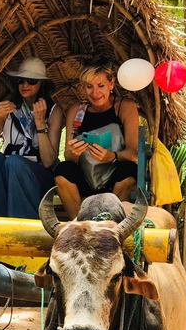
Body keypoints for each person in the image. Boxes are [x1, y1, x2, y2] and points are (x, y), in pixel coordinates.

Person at [0, 57, 64, 219]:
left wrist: (40, 124)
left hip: (40, 176)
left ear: (41, 84)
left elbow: (49, 161)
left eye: (31, 81)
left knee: (14, 161)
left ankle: (22, 221)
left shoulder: (54, 110)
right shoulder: (7, 107)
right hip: (9, 172)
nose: (25, 85)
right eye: (20, 80)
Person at [53, 60, 139, 220]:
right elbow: (68, 157)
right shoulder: (76, 110)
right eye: (89, 86)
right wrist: (75, 152)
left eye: (100, 86)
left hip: (115, 176)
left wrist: (112, 157)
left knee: (128, 170)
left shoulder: (125, 106)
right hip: (86, 176)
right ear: (83, 87)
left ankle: (114, 223)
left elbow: (133, 153)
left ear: (111, 84)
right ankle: (77, 224)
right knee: (62, 170)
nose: (95, 93)